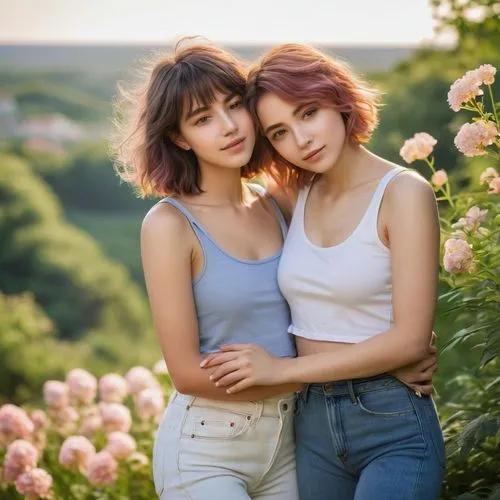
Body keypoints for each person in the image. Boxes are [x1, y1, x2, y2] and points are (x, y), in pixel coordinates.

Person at [202, 44, 445, 499]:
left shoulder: (403, 193)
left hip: (391, 421)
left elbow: (410, 340)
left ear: (338, 98)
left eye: (308, 112)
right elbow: (218, 192)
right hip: (310, 424)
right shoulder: (294, 195)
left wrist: (278, 370)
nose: (301, 139)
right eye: (279, 132)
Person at [112, 41, 301, 499]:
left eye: (234, 105)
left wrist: (396, 353)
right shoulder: (169, 225)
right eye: (203, 119)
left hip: (291, 441)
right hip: (206, 447)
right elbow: (186, 373)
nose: (230, 126)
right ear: (180, 137)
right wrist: (332, 372)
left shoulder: (278, 201)